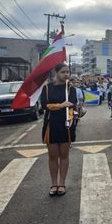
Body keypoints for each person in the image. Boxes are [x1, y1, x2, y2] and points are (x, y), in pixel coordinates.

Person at [41, 63, 77, 196]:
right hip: (51, 124)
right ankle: (54, 183)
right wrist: (60, 105)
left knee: (64, 155)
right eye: (63, 72)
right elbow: (44, 105)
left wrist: (74, 108)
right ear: (56, 73)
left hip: (66, 125)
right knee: (52, 156)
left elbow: (73, 103)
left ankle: (62, 183)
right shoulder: (47, 88)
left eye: (68, 72)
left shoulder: (70, 89)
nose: (66, 74)